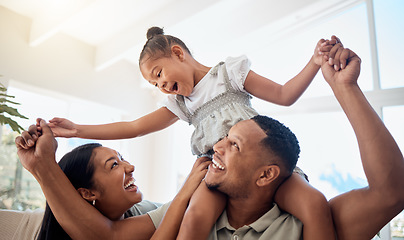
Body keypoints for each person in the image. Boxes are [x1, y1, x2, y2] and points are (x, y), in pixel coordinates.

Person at [47, 26, 338, 240]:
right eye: (153, 84)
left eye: (159, 74)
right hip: (219, 174)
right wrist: (77, 129)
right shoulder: (181, 104)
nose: (159, 86)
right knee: (195, 216)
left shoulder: (229, 74)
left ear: (178, 53)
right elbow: (134, 128)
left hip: (260, 161)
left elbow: (285, 94)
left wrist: (315, 62)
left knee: (314, 203)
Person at [147, 45, 404, 239]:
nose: (216, 146)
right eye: (224, 138)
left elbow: (392, 192)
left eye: (234, 144)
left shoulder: (303, 223)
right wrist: (182, 196)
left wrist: (345, 87)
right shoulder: (181, 214)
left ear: (267, 174)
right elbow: (111, 233)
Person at [15, 125, 211, 240]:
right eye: (114, 165)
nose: (130, 167)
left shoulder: (145, 211)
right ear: (88, 193)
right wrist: (41, 165)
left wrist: (42, 166)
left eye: (122, 158)